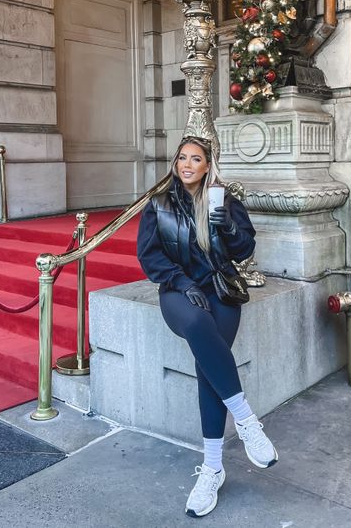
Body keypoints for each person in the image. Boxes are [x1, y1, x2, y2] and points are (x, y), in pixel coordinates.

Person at [137, 136, 278, 518]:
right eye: (181, 157)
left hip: (222, 288)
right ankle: (247, 420)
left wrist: (227, 227)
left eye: (195, 159)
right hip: (178, 290)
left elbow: (245, 250)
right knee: (198, 324)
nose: (186, 164)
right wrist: (182, 283)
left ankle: (213, 468)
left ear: (207, 165)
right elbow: (149, 257)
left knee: (209, 372)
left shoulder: (226, 202)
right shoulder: (159, 204)